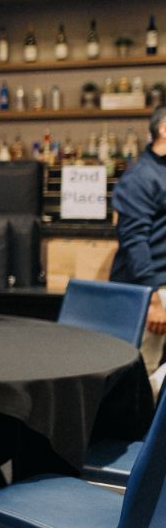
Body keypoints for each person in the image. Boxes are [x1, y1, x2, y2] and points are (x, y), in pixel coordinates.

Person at [110, 105, 166, 375]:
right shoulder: (141, 176)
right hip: (150, 293)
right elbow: (134, 240)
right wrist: (153, 300)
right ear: (164, 129)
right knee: (143, 377)